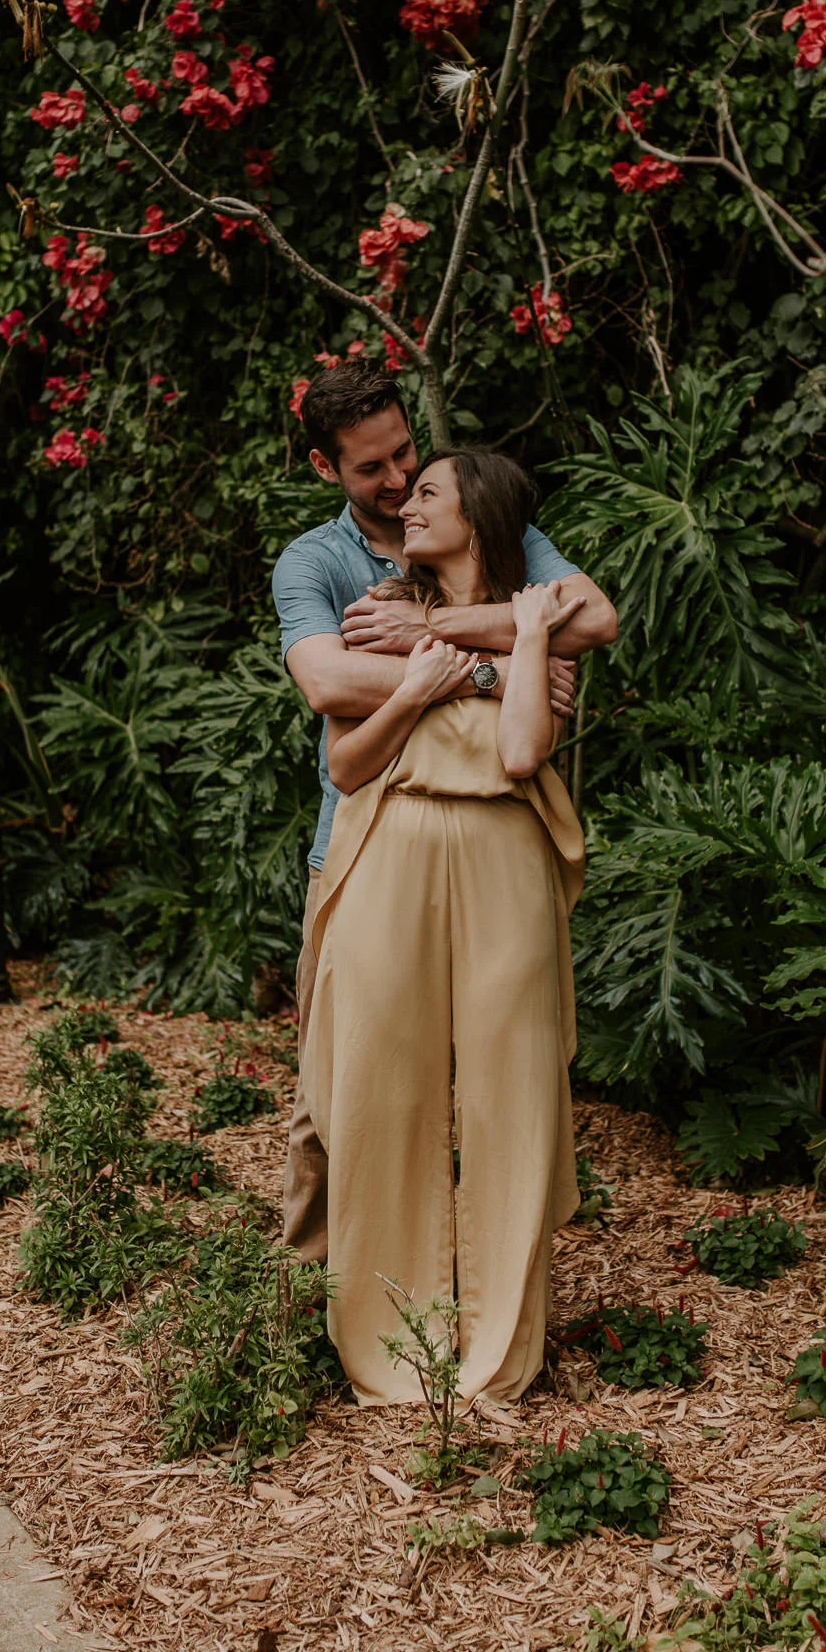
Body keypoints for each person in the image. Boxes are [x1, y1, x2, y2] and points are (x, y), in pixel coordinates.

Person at [272, 362, 616, 1263]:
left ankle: (463, 1284)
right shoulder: (315, 562)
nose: (397, 480)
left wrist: (436, 632)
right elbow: (329, 681)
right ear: (325, 467)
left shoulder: (491, 523)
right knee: (337, 1084)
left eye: (405, 455)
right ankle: (313, 1285)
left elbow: (591, 621)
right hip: (359, 843)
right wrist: (503, 670)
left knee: (496, 1076)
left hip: (493, 846)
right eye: (371, 468)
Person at [300, 446, 585, 1406]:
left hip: (505, 854)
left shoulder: (535, 614)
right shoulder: (381, 616)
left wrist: (516, 653)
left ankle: (498, 1349)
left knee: (514, 1092)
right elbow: (345, 766)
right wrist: (428, 685)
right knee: (379, 1086)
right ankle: (389, 1338)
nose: (406, 504)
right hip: (393, 844)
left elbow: (522, 752)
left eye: (428, 493)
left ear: (479, 515)